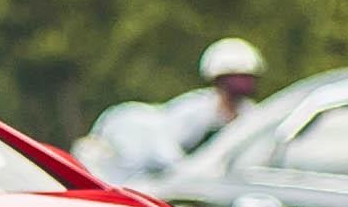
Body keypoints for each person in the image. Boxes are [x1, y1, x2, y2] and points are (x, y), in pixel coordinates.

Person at [73, 38, 266, 182]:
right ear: (218, 79)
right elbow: (166, 153)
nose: (243, 83)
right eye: (236, 77)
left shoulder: (252, 115)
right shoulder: (196, 109)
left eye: (247, 77)